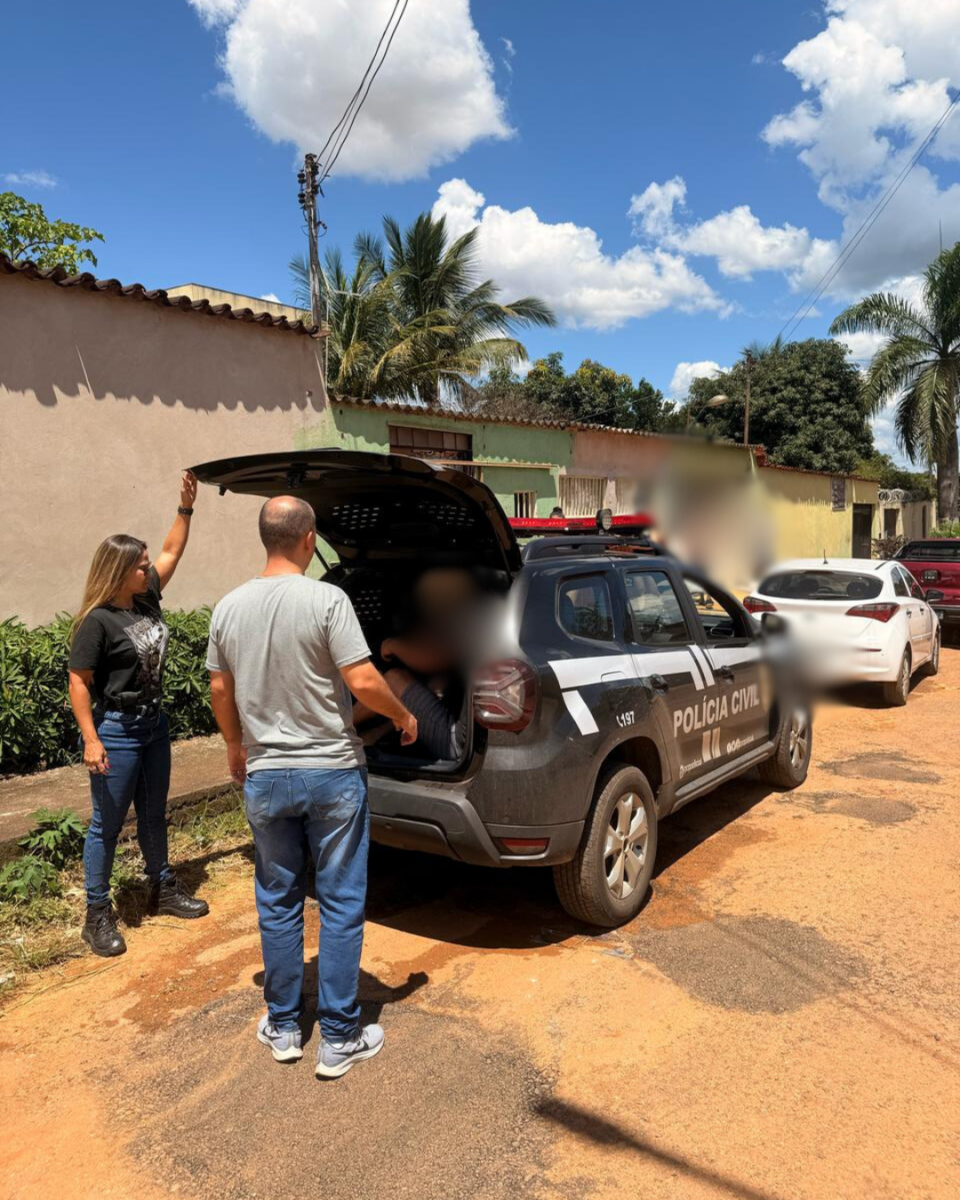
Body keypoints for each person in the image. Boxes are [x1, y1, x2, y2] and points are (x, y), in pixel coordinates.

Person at [206, 496, 418, 1079]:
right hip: (332, 773)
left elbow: (220, 690)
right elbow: (362, 679)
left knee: (278, 900)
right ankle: (340, 1037)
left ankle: (283, 1026)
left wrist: (234, 745)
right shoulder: (328, 600)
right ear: (308, 540)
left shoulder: (228, 606)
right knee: (341, 900)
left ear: (265, 538)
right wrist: (403, 715)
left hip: (266, 775)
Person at [68, 471, 209, 959]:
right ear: (120, 570)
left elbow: (172, 550)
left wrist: (185, 507)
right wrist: (91, 739)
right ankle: (96, 914)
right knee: (106, 825)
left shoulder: (145, 599)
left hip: (153, 725)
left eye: (147, 566)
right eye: (140, 566)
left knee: (153, 813)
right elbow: (79, 682)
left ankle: (161, 887)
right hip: (118, 730)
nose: (148, 571)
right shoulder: (98, 621)